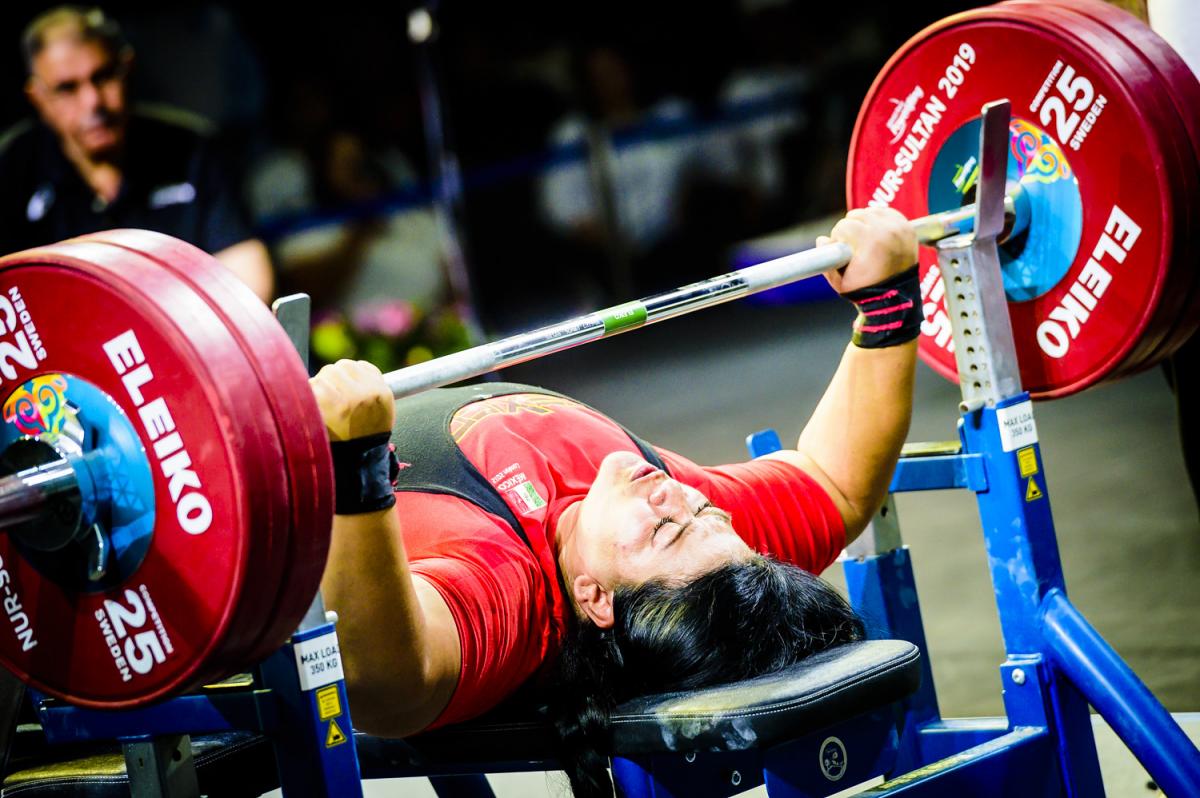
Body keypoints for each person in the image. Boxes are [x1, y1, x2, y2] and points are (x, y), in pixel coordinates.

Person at [310, 207, 920, 797]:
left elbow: (387, 685)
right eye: (704, 511)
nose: (676, 496)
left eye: (666, 531)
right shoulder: (711, 555)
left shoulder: (508, 593)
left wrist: (354, 467)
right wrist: (889, 298)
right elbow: (836, 485)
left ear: (595, 598)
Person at [0, 7, 274, 302]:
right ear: (38, 97)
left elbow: (250, 278)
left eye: (103, 76)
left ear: (127, 68)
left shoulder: (191, 150)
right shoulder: (13, 169)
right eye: (68, 88)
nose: (93, 102)